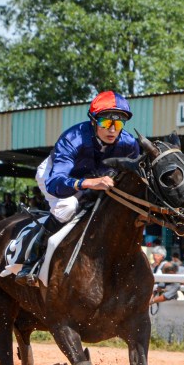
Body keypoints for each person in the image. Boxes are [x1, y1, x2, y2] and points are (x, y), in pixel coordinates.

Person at [15, 90, 139, 285]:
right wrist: (87, 183)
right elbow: (56, 183)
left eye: (118, 124)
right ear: (94, 121)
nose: (112, 130)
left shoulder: (129, 144)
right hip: (55, 176)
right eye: (106, 123)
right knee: (68, 207)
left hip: (96, 179)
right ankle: (31, 262)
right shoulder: (73, 138)